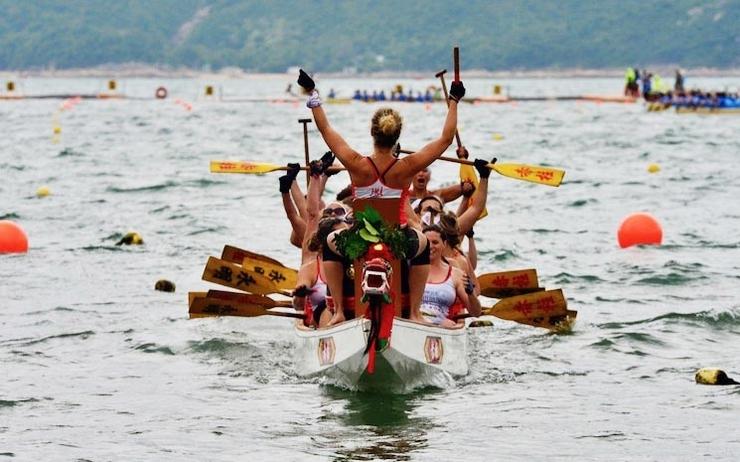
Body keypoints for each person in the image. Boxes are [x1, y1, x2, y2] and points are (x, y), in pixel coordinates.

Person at [296, 68, 466, 325]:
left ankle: (340, 310)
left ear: (372, 134)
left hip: (359, 239)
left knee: (330, 241)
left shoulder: (356, 163)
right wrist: (453, 101)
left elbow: (325, 128)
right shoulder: (407, 167)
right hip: (398, 239)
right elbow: (445, 140)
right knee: (421, 243)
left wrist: (313, 93)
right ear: (397, 136)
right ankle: (415, 313)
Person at [420, 224, 481, 327]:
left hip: (443, 329)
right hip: (417, 323)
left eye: (435, 242)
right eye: (427, 242)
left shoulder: (456, 274)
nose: (430, 246)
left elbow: (476, 312)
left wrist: (471, 294)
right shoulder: (411, 269)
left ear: (444, 244)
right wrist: (437, 321)